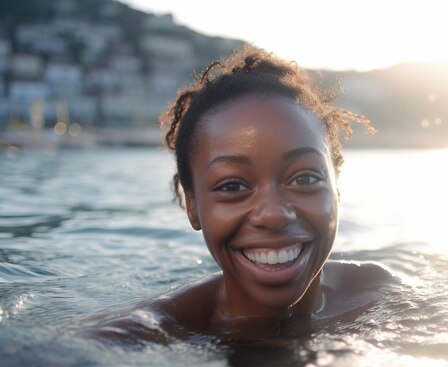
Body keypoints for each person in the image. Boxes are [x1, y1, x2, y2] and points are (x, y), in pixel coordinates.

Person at [85, 45, 395, 342]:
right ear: (191, 205)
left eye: (304, 178)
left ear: (336, 189)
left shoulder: (376, 292)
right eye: (233, 186)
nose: (273, 214)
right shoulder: (144, 335)